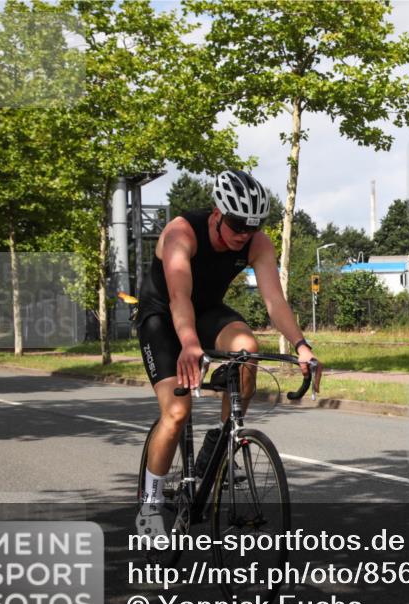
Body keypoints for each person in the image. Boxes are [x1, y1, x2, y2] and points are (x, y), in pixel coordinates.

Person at [135, 169, 319, 538]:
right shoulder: (182, 233)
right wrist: (189, 345)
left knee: (247, 350)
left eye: (252, 228)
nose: (243, 236)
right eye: (236, 225)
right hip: (162, 317)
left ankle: (219, 443)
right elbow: (178, 297)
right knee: (176, 412)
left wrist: (301, 345)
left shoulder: (256, 242)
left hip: (207, 314)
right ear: (218, 214)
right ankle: (150, 506)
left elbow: (274, 301)